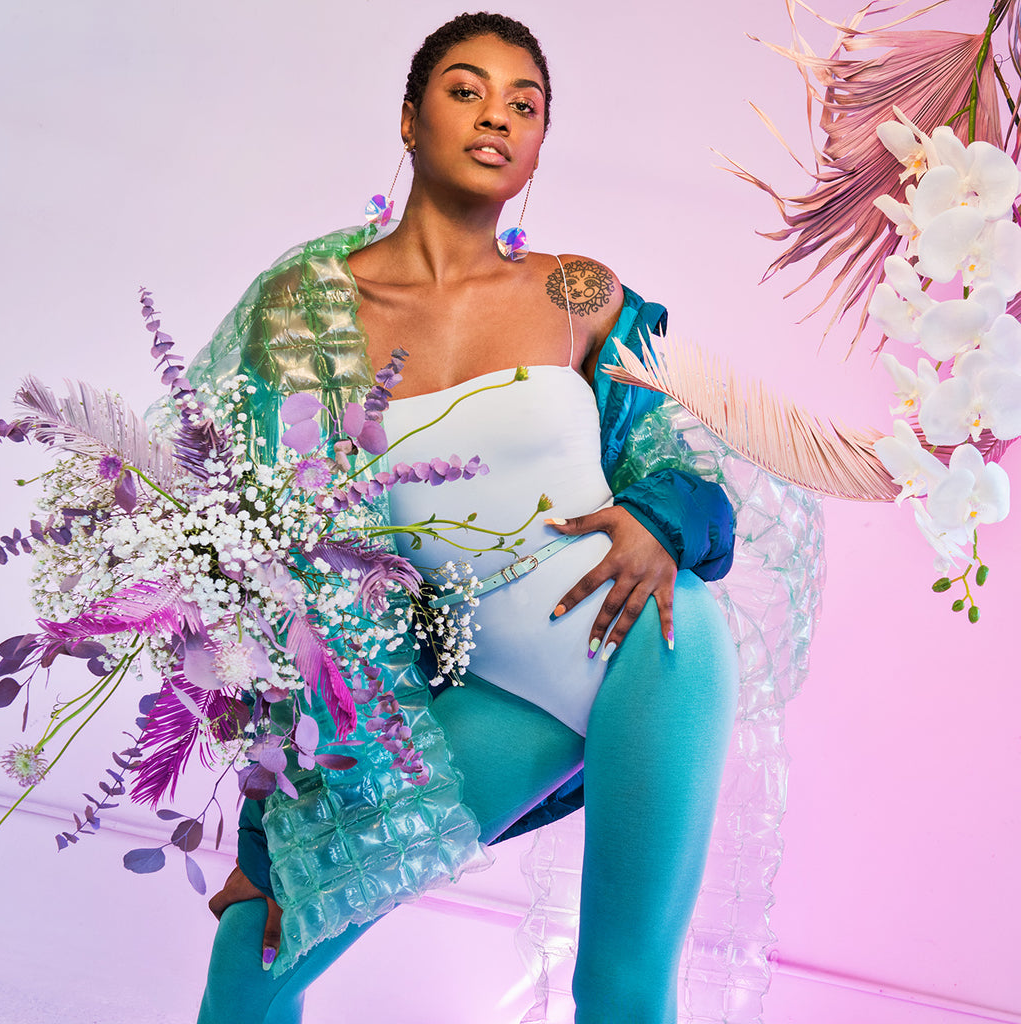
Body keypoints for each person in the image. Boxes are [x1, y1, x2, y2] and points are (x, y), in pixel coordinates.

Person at [197, 13, 739, 1023]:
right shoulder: (306, 310)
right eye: (465, 89)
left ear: (537, 146)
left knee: (618, 986)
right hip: (494, 691)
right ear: (407, 119)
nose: (497, 116)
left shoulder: (577, 290)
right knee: (256, 951)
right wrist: (269, 837)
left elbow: (688, 466)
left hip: (649, 650)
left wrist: (660, 519)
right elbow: (284, 580)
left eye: (524, 104)